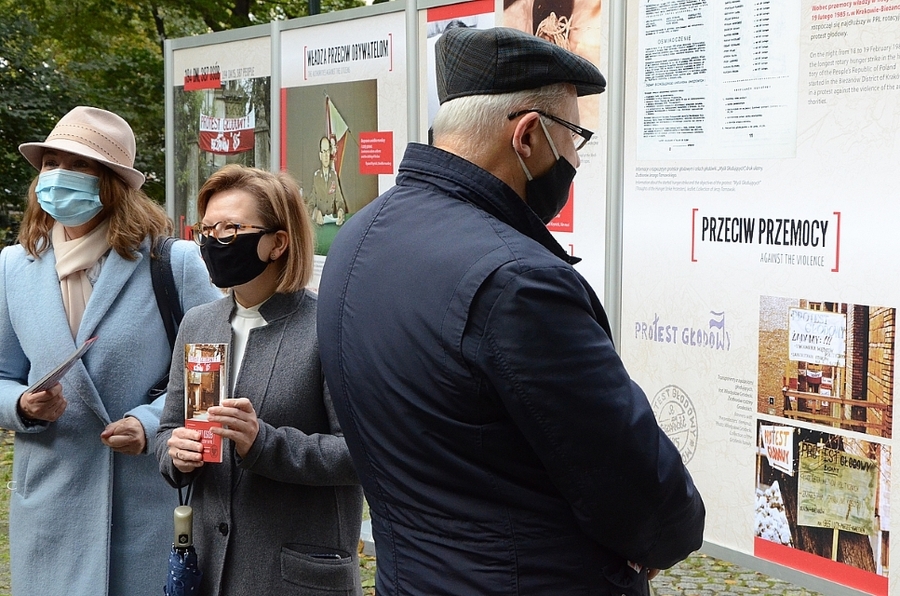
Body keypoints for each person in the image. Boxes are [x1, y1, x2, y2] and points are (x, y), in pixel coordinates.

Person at [317, 27, 705, 595]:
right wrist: (661, 534)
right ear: (527, 136)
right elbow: (642, 493)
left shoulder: (357, 238)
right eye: (575, 138)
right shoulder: (517, 282)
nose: (575, 158)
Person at [0, 105, 221, 596]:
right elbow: (2, 374)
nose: (58, 177)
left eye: (79, 165)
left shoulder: (174, 262)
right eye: (51, 163)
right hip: (51, 508)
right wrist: (21, 406)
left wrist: (147, 423)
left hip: (148, 502)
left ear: (112, 182)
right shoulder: (14, 266)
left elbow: (213, 376)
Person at [157, 164, 363, 596]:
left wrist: (265, 444)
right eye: (206, 230)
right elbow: (168, 430)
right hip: (211, 570)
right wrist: (176, 453)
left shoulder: (330, 326)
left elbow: (361, 453)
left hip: (294, 574)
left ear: (278, 242)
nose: (214, 242)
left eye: (230, 229)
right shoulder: (198, 324)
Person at [308, 135, 348, 226]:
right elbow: (310, 204)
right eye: (323, 151)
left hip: (331, 224)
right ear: (320, 155)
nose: (326, 155)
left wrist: (341, 211)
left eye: (328, 151)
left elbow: (340, 201)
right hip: (319, 225)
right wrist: (315, 213)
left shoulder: (333, 176)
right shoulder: (316, 177)